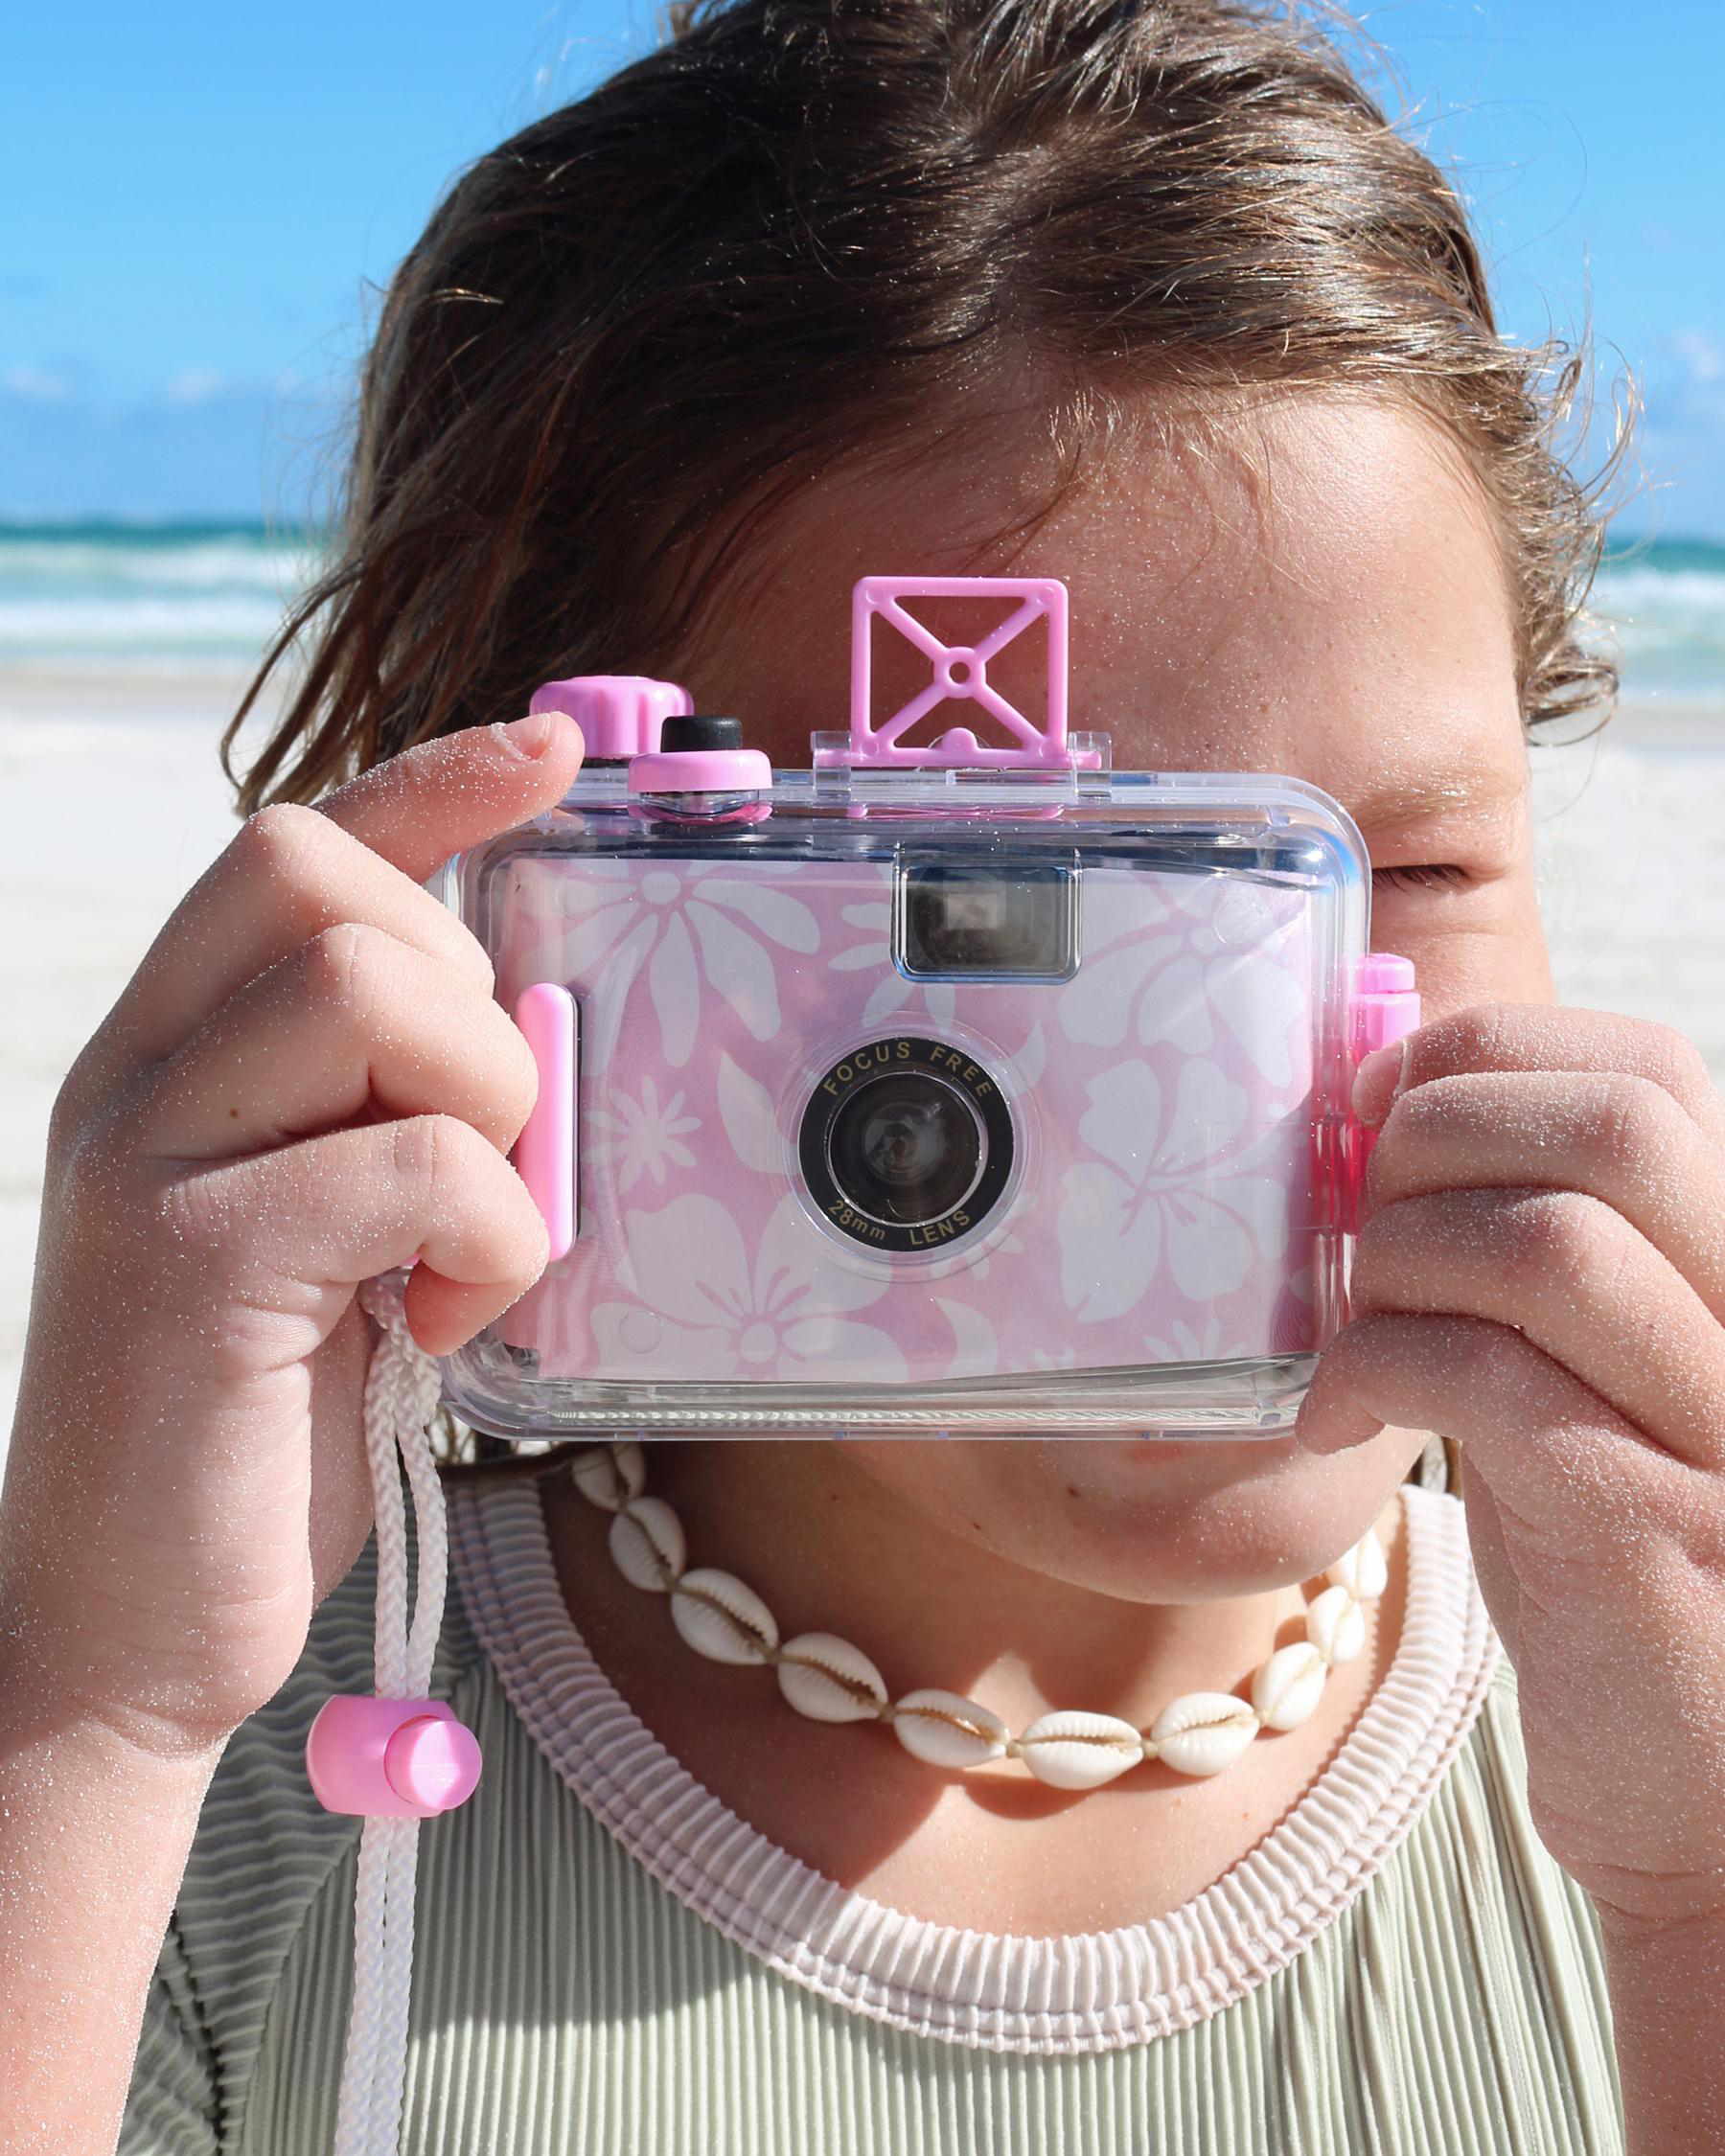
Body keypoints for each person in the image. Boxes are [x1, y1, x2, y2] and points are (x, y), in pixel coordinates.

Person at [5, 0, 1722, 2149]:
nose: (1216, 1089)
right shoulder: (230, 1790)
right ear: (543, 930)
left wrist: (1691, 1909)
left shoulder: (1673, 1747)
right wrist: (90, 1713)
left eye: (1404, 868)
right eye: (988, 912)